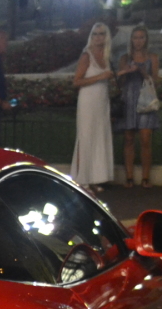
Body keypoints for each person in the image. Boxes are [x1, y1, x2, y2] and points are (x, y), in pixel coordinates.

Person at [69, 22, 116, 191]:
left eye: (102, 34)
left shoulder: (106, 55)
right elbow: (77, 81)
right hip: (88, 101)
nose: (98, 37)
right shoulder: (86, 55)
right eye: (95, 34)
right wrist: (100, 77)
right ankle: (82, 179)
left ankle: (95, 176)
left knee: (99, 137)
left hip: (102, 102)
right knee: (86, 137)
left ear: (106, 36)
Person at [116, 25, 160, 188]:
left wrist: (143, 72)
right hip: (128, 98)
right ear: (131, 40)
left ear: (146, 39)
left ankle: (145, 177)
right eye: (135, 37)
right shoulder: (124, 58)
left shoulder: (152, 57)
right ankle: (129, 177)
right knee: (128, 138)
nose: (138, 41)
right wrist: (126, 71)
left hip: (145, 99)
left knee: (145, 138)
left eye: (141, 37)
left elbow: (155, 81)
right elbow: (118, 81)